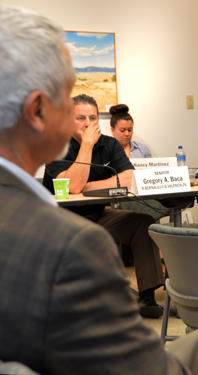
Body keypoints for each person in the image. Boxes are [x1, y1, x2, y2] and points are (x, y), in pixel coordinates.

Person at [0, 5, 198, 374]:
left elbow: (129, 177)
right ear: (38, 111)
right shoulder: (71, 247)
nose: (86, 121)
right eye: (68, 96)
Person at [42, 94, 166, 318]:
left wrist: (87, 186)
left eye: (92, 117)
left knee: (143, 223)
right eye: (80, 118)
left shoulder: (110, 144)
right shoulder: (55, 146)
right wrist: (87, 145)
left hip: (99, 214)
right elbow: (72, 187)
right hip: (62, 221)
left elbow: (129, 178)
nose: (88, 124)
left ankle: (147, 295)